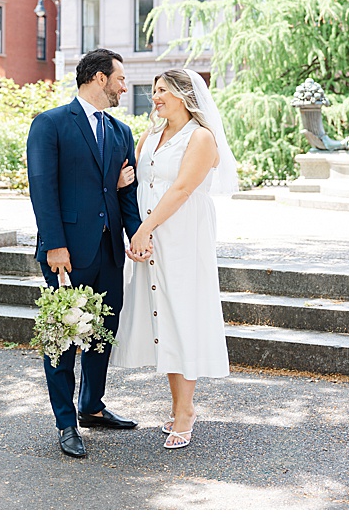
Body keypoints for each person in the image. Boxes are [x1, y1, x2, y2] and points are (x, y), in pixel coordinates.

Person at [26, 48, 143, 458]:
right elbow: (42, 188)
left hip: (111, 251)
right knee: (62, 337)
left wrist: (137, 237)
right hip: (67, 253)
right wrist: (55, 244)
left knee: (101, 336)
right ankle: (65, 423)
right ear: (97, 78)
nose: (124, 86)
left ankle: (92, 407)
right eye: (120, 78)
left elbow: (125, 195)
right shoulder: (51, 124)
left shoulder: (121, 131)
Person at [110, 69, 236, 450]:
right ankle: (178, 405)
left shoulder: (201, 138)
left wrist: (145, 229)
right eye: (153, 91)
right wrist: (132, 217)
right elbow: (133, 180)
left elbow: (182, 189)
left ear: (184, 94)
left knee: (183, 316)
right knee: (161, 317)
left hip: (182, 236)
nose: (155, 97)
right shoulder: (149, 135)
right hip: (149, 236)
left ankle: (186, 412)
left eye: (162, 90)